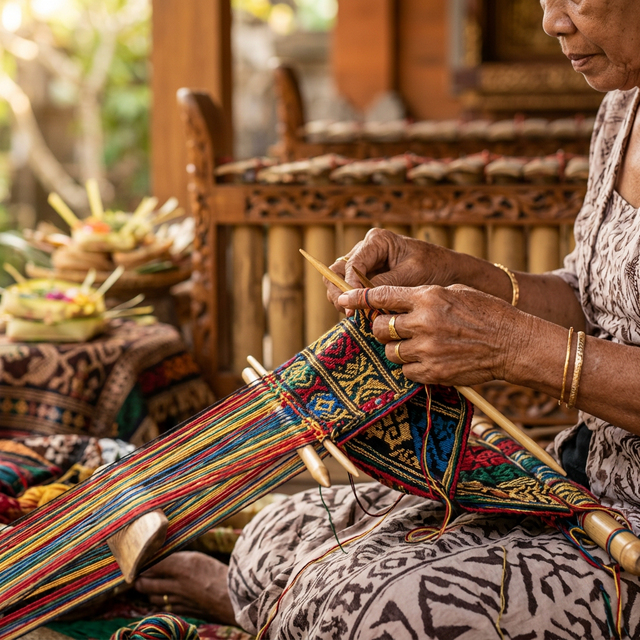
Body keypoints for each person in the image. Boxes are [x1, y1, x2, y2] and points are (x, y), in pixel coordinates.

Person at [136, 1, 640, 637]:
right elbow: (594, 300)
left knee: (369, 610)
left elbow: (546, 343)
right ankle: (267, 601)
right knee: (275, 532)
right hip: (583, 480)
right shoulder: (623, 107)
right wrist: (453, 273)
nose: (551, 22)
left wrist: (511, 348)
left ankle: (270, 610)